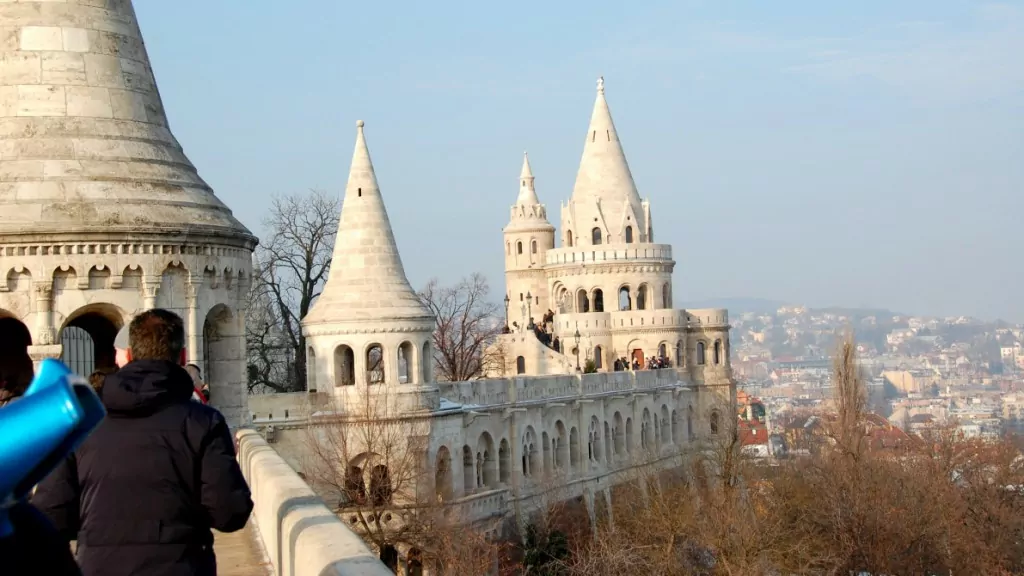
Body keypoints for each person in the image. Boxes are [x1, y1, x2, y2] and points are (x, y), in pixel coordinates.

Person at [32, 309, 253, 576]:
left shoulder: (80, 424)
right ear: (181, 357)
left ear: (127, 356)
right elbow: (230, 513)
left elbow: (50, 518)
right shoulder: (204, 423)